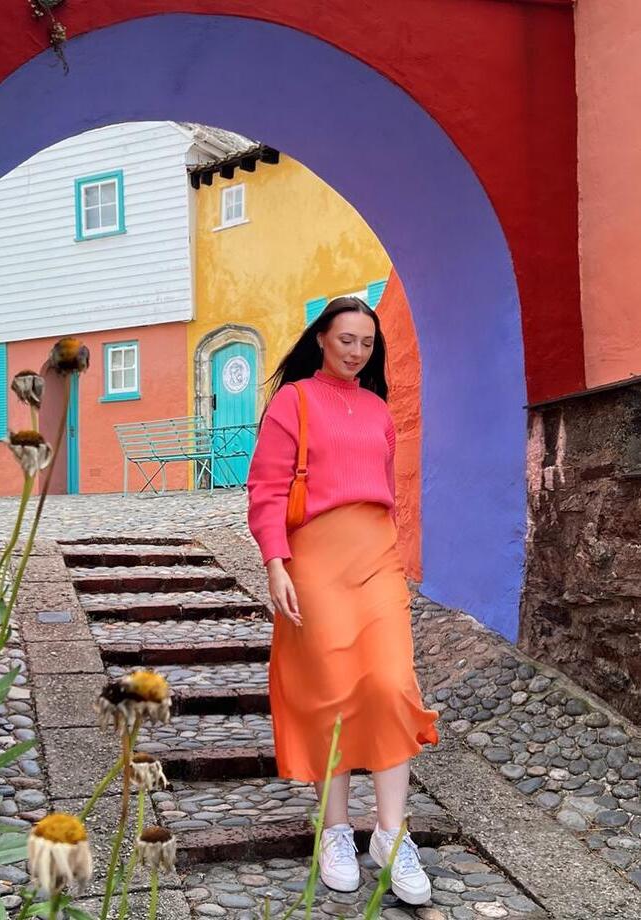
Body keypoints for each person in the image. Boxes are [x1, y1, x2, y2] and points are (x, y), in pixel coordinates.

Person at [247, 296, 439, 905]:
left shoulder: (379, 410)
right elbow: (266, 488)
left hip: (377, 559)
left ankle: (391, 835)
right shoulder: (293, 401)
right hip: (316, 563)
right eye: (347, 339)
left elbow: (386, 493)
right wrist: (276, 563)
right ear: (322, 339)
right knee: (329, 691)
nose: (357, 351)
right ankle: (334, 831)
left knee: (390, 685)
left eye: (367, 343)